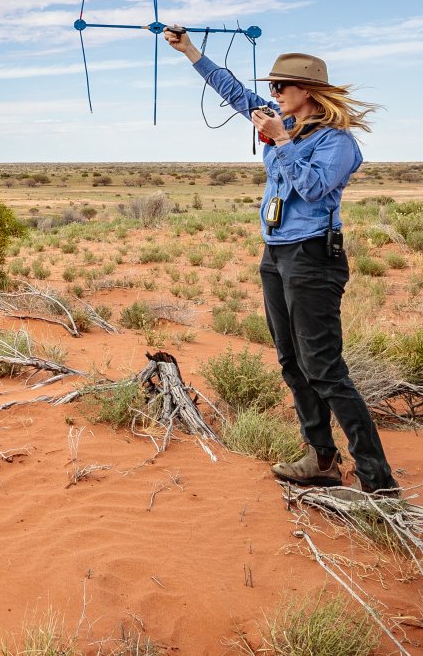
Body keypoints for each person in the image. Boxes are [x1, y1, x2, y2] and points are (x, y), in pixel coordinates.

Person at [162, 27, 399, 498]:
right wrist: (190, 51)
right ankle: (321, 459)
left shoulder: (338, 143)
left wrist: (281, 143)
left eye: (280, 87)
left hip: (314, 256)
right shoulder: (282, 124)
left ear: (306, 92)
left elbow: (313, 188)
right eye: (271, 88)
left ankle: (379, 482)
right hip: (277, 255)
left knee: (325, 368)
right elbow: (233, 92)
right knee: (292, 362)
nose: (272, 94)